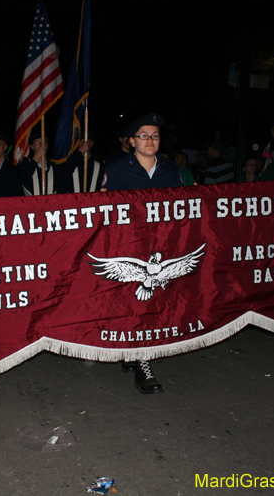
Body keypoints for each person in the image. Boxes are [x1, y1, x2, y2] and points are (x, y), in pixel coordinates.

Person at [101, 112, 182, 392]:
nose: (150, 140)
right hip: (129, 247)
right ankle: (140, 359)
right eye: (144, 135)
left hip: (161, 247)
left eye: (155, 135)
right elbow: (105, 211)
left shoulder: (171, 171)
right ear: (132, 140)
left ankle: (137, 355)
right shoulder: (117, 169)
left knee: (152, 304)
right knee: (134, 303)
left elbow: (182, 210)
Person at [17, 130, 66, 195]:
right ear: (32, 146)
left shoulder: (54, 167)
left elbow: (61, 189)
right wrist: (38, 155)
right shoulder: (24, 164)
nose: (41, 145)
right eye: (37, 143)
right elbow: (24, 175)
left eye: (44, 142)